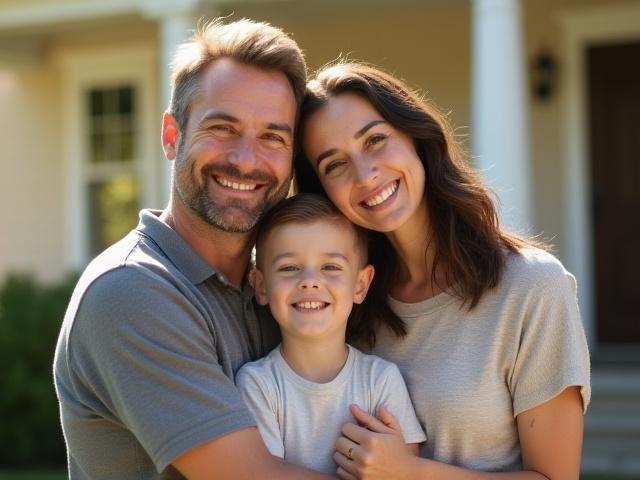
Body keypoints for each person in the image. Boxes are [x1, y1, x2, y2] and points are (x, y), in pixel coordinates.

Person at [53, 18, 336, 479]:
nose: (246, 160)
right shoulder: (130, 292)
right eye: (223, 128)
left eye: (272, 137)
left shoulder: (276, 287)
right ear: (171, 135)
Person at [294, 62, 591, 480]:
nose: (365, 174)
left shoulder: (533, 287)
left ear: (416, 137)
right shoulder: (341, 304)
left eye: (376, 140)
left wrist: (408, 472)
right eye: (334, 165)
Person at [236, 193, 426, 474]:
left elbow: (404, 471)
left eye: (330, 267)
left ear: (360, 285)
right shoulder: (258, 385)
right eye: (289, 268)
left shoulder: (381, 380)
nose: (310, 281)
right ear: (261, 286)